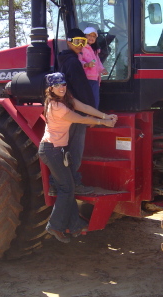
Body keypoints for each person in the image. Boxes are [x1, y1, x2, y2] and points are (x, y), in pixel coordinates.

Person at [38, 72, 118, 243]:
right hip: (51, 150)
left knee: (68, 187)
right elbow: (80, 118)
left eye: (63, 84)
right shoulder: (57, 107)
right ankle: (54, 225)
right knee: (67, 188)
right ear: (50, 88)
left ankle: (74, 225)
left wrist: (104, 116)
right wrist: (103, 122)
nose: (61, 88)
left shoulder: (65, 99)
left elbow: (85, 108)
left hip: (56, 150)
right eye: (57, 85)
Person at [55, 28, 96, 196]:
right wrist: (91, 111)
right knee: (75, 150)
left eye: (83, 42)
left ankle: (58, 183)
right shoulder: (73, 62)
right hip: (76, 113)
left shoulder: (64, 60)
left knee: (65, 149)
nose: (81, 45)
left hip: (66, 111)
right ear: (69, 42)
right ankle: (73, 184)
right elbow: (82, 88)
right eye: (77, 41)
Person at [78, 27, 109, 108]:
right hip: (85, 79)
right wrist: (86, 64)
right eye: (89, 35)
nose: (91, 38)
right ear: (84, 36)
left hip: (95, 79)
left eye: (94, 36)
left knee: (95, 101)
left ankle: (94, 116)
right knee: (87, 101)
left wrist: (102, 69)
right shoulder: (81, 48)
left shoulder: (94, 50)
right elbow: (78, 61)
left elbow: (97, 62)